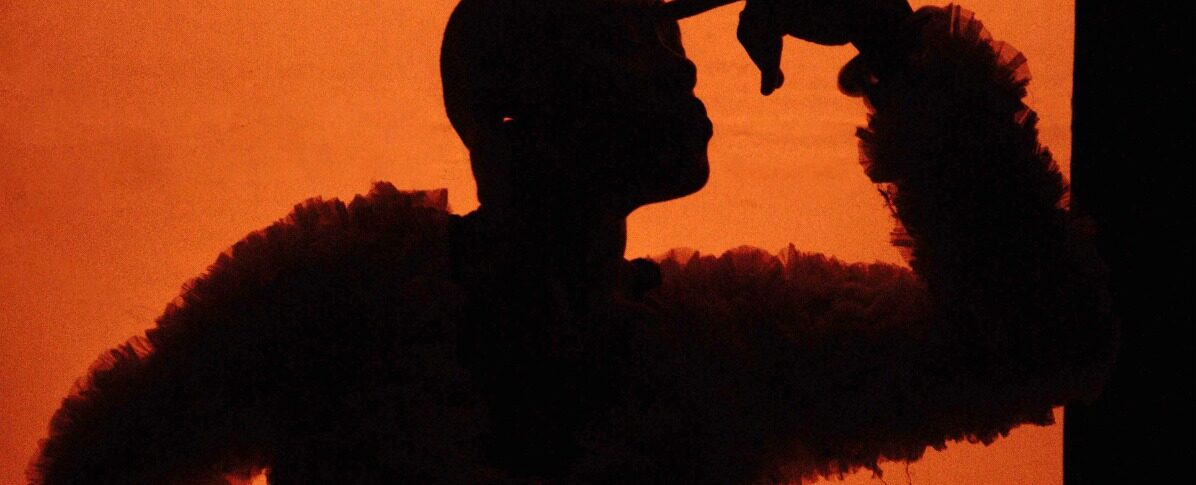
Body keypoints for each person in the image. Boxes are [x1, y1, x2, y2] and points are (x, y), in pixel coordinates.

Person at [28, 0, 1115, 483]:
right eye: (625, 37)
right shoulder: (329, 308)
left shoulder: (729, 348)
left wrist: (894, 40)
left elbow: (1038, 344)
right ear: (508, 104)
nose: (679, 59)